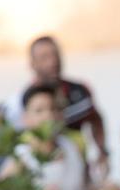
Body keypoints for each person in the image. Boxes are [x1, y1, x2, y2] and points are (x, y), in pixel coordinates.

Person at [27, 35, 107, 164]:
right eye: (44, 57)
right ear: (33, 64)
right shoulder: (23, 100)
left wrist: (102, 151)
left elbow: (95, 119)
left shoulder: (80, 91)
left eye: (55, 55)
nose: (52, 62)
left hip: (78, 165)